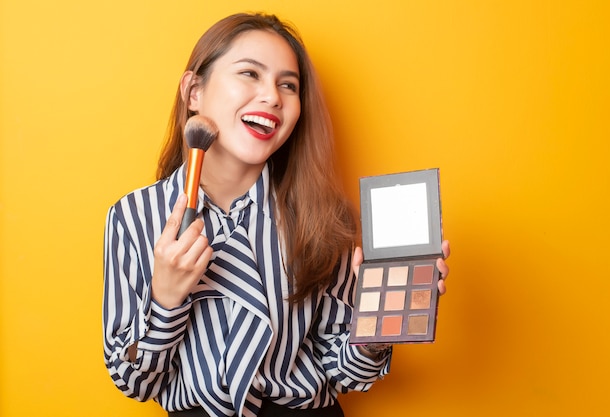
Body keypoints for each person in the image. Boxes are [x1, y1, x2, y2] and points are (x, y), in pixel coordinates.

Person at [102, 12, 450, 417]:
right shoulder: (134, 217)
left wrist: (379, 323)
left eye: (288, 84)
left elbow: (344, 375)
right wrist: (164, 301)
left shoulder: (323, 217)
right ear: (193, 91)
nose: (272, 96)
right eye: (250, 74)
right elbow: (135, 382)